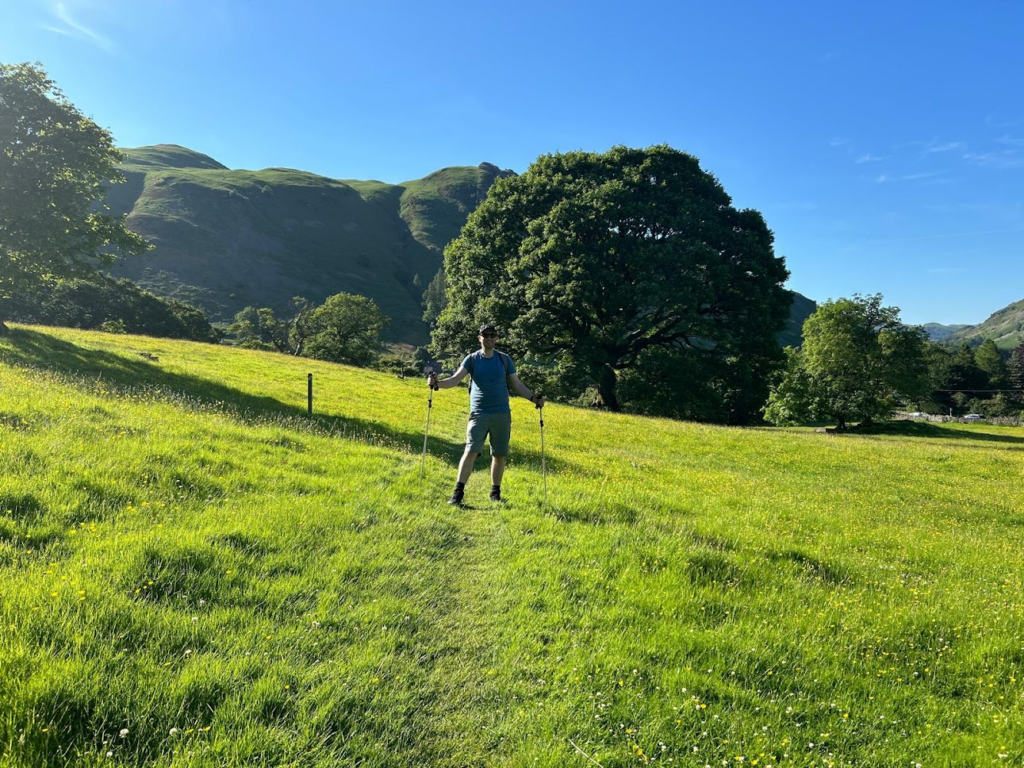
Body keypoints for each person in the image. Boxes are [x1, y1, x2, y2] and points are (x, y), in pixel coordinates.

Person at [428, 323, 544, 505]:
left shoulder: (505, 360)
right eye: (486, 335)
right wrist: (436, 384)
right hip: (479, 413)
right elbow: (455, 379)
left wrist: (533, 398)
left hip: (502, 413)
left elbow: (517, 384)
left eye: (493, 335)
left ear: (496, 338)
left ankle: (495, 493)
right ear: (479, 337)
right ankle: (457, 494)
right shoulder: (472, 359)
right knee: (471, 451)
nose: (489, 338)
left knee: (499, 454)